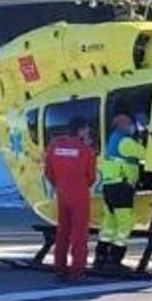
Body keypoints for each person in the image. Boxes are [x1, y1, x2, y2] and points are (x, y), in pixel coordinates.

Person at [43, 118, 98, 281]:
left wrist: (60, 185)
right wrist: (80, 185)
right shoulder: (86, 150)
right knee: (79, 234)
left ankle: (59, 268)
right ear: (81, 130)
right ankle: (77, 271)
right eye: (87, 129)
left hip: (62, 193)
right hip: (79, 194)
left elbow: (49, 173)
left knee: (63, 232)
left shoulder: (54, 148)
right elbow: (91, 177)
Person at [97, 113, 146, 271]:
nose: (132, 127)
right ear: (123, 125)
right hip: (121, 186)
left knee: (109, 222)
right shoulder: (125, 141)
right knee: (125, 222)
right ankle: (115, 259)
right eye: (131, 124)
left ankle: (101, 256)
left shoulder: (112, 139)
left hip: (109, 186)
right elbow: (145, 153)